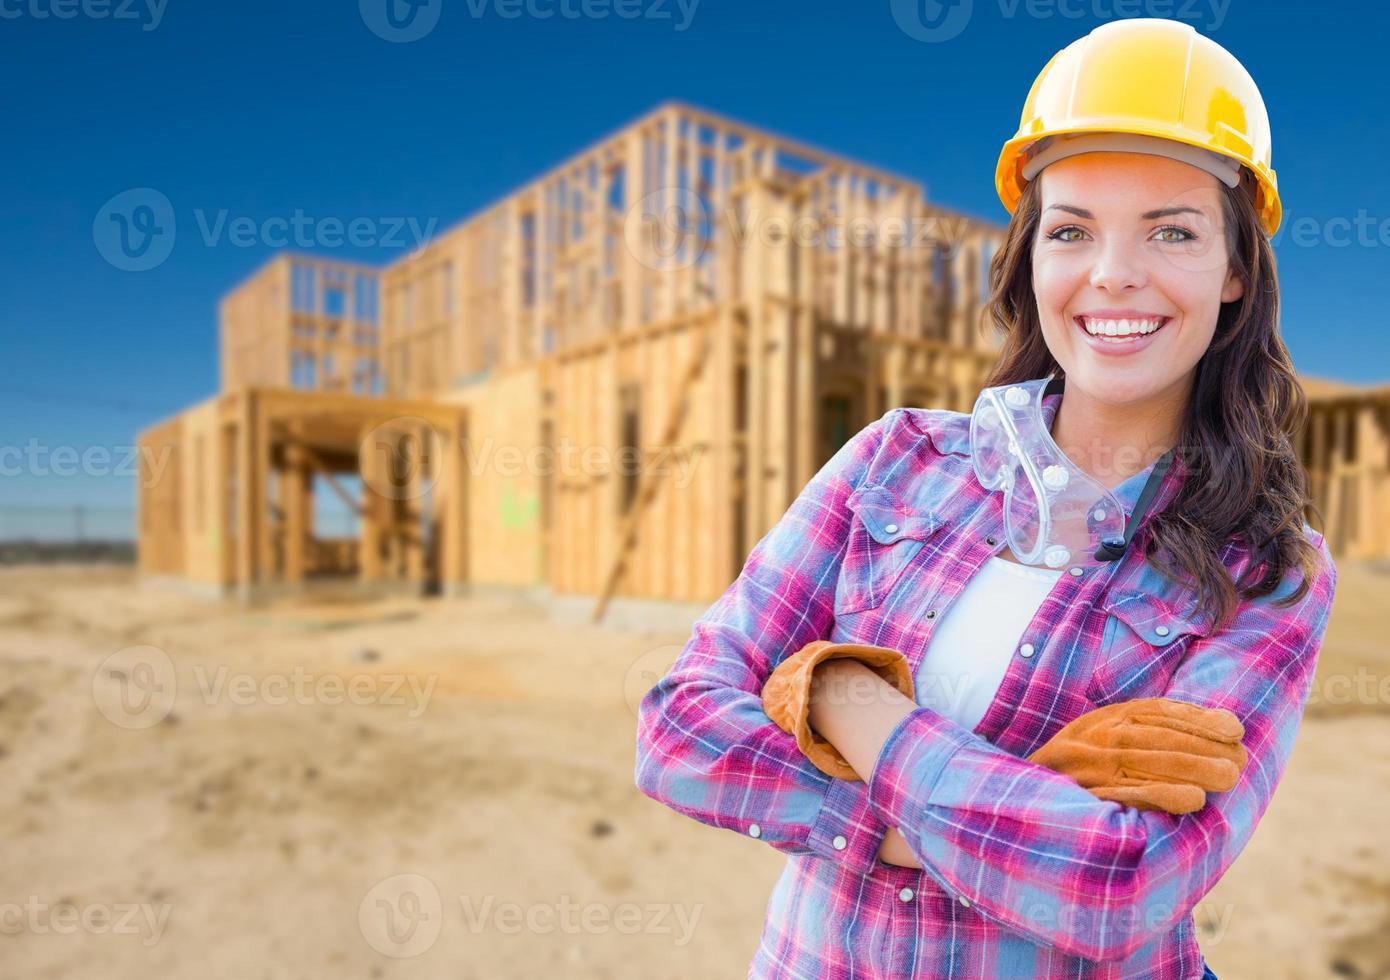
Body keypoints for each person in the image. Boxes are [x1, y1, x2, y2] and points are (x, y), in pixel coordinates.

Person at [634, 18, 1336, 979]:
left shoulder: (1268, 570)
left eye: (1172, 231)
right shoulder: (895, 461)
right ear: (1033, 258)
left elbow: (1115, 892)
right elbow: (678, 729)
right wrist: (1008, 818)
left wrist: (844, 699)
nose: (1113, 273)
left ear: (1235, 270)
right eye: (1072, 230)